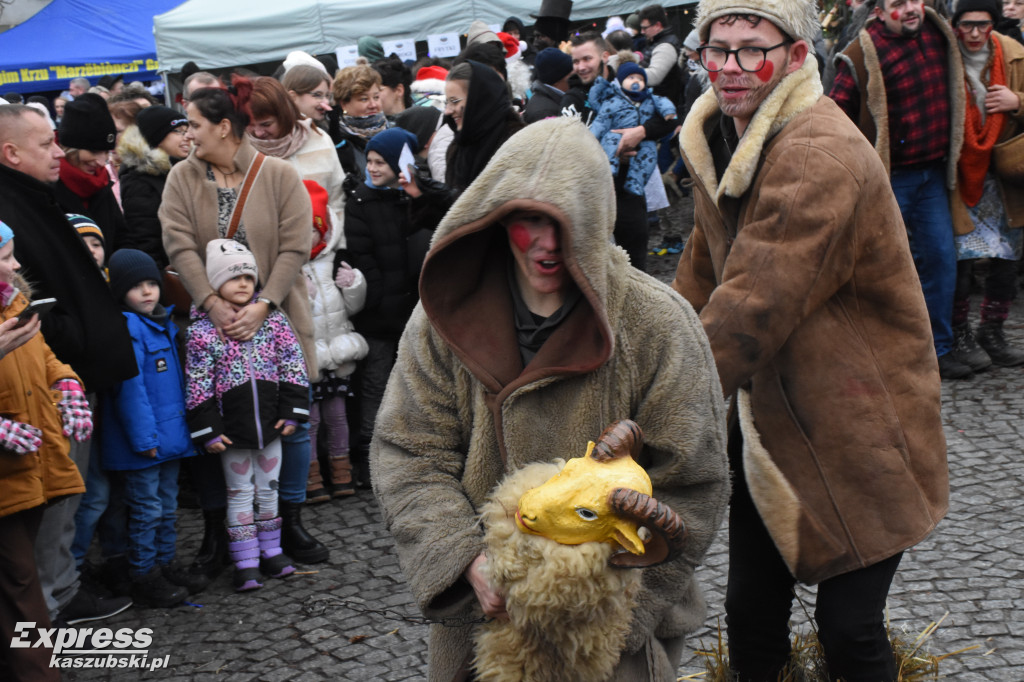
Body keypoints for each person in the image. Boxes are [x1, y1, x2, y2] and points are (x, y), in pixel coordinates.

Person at [371, 117, 729, 681]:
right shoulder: (442, 316)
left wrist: (598, 600)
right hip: (482, 621)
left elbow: (694, 479)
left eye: (567, 222)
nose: (548, 243)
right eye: (531, 219)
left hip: (609, 633)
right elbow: (409, 451)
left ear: (597, 221)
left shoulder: (657, 324)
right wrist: (466, 561)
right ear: (498, 217)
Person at [671, 0, 949, 679]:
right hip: (772, 423)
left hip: (859, 420)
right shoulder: (717, 137)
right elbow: (701, 272)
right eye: (717, 49)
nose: (730, 67)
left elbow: (753, 304)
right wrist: (649, 352)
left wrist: (662, 403)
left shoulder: (815, 152)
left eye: (752, 49)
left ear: (796, 56)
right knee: (750, 614)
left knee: (849, 628)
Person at [160, 77, 327, 571]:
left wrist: (264, 304)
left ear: (223, 126)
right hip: (212, 326)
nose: (187, 134)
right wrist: (211, 302)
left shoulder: (278, 175)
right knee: (213, 424)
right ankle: (221, 531)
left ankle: (289, 521)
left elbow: (296, 245)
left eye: (194, 124)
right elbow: (178, 245)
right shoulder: (181, 179)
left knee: (290, 422)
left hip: (277, 317)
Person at [0, 104, 135, 627]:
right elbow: (25, 300)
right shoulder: (10, 205)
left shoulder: (33, 193)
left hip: (65, 374)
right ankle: (50, 602)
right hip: (41, 382)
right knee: (54, 497)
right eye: (45, 145)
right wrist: (71, 340)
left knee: (71, 492)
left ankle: (60, 588)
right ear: (11, 153)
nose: (59, 152)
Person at [830, 0, 968, 379]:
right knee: (879, 271)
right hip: (890, 180)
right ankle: (882, 357)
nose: (910, 9)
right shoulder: (861, 54)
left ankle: (938, 351)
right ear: (878, 11)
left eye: (914, 0)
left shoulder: (939, 35)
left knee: (941, 261)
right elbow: (833, 117)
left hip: (934, 175)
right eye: (897, 3)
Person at [186, 240, 308, 591]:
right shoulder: (202, 332)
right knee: (239, 493)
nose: (243, 283)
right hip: (232, 431)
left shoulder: (273, 321)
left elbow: (293, 365)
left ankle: (272, 551)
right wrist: (208, 429)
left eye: (248, 276)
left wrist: (292, 412)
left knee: (270, 490)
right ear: (214, 283)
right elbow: (198, 383)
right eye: (233, 277)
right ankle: (245, 560)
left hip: (270, 425)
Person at [0, 221, 86, 682]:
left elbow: (44, 356)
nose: (16, 264)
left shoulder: (13, 301)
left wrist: (66, 381)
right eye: (5, 256)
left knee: (18, 576)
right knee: (20, 582)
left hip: (27, 464)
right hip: (5, 474)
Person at [102, 250, 196, 607]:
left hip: (169, 438)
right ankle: (144, 574)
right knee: (146, 510)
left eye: (152, 284)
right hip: (144, 444)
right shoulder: (129, 328)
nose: (147, 292)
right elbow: (131, 391)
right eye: (136, 286)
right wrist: (144, 439)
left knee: (167, 506)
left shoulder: (162, 323)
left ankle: (165, 563)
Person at [345, 127, 425, 490]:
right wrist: (377, 300)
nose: (372, 168)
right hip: (378, 316)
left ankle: (413, 454)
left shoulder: (415, 197)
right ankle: (369, 458)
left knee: (415, 385)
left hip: (413, 311)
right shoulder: (360, 202)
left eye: (381, 162)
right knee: (375, 386)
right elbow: (362, 257)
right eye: (370, 161)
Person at [948, 0, 1024, 368]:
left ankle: (992, 330)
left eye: (983, 24)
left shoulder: (1014, 54)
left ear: (993, 22)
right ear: (956, 24)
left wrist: (1016, 101)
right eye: (967, 25)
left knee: (1006, 258)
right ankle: (959, 332)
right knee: (961, 258)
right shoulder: (944, 55)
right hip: (959, 172)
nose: (975, 33)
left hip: (1005, 173)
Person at [301, 181, 368, 500]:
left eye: (312, 231)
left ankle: (342, 471)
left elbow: (352, 307)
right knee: (311, 420)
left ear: (323, 230)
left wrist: (353, 284)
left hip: (337, 353)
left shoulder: (332, 261)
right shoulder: (289, 268)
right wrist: (301, 296)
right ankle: (311, 474)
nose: (306, 238)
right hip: (309, 357)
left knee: (338, 416)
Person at [247, 77, 346, 222]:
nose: (258, 133)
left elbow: (338, 197)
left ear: (284, 115)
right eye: (250, 124)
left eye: (266, 124)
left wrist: (332, 232)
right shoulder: (241, 151)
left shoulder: (319, 139)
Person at [589, 60, 678, 199]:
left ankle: (636, 182)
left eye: (640, 79)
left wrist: (668, 112)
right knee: (610, 141)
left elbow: (663, 102)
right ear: (621, 81)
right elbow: (601, 121)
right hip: (617, 133)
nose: (636, 81)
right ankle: (610, 166)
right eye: (631, 78)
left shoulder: (650, 98)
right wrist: (592, 136)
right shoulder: (613, 100)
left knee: (649, 154)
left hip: (644, 140)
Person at [118, 105, 190, 268]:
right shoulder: (138, 180)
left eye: (187, 131)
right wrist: (159, 276)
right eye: (178, 131)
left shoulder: (186, 169)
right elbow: (146, 238)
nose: (186, 137)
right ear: (156, 137)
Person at [54, 93, 127, 251]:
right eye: (94, 151)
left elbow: (122, 238)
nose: (101, 162)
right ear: (69, 149)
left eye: (106, 152)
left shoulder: (101, 182)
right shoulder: (48, 186)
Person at [331, 65, 388, 185]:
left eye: (376, 97)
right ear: (344, 104)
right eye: (364, 99)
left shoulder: (392, 131)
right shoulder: (338, 141)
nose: (373, 105)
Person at [639, 4, 685, 107]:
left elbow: (654, 77)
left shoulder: (666, 46)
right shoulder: (656, 42)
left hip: (665, 108)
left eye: (645, 28)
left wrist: (629, 71)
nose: (642, 32)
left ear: (657, 25)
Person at [523, 47, 573, 123]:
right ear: (556, 80)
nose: (575, 79)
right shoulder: (544, 113)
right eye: (571, 76)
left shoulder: (551, 100)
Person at [281, 64, 334, 130]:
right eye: (317, 95)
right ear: (292, 97)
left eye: (327, 95)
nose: (326, 102)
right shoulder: (284, 131)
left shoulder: (323, 126)